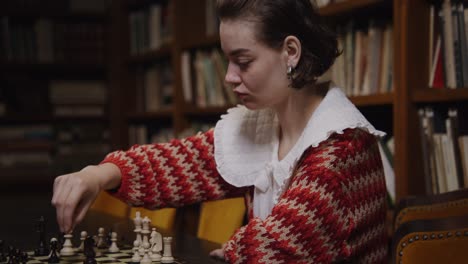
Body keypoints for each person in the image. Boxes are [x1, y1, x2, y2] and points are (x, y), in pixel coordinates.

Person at [52, 0, 388, 263]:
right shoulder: (266, 125)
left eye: (243, 62)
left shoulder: (341, 149)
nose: (229, 76)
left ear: (290, 52)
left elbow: (283, 246)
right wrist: (99, 174)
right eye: (227, 61)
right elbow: (183, 163)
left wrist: (234, 249)